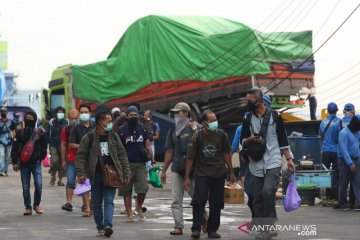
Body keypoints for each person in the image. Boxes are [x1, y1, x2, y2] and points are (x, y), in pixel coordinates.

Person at [240, 88, 295, 240]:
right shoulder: (247, 119)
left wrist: (289, 160)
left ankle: (270, 226)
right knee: (257, 198)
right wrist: (250, 140)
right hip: (256, 162)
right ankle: (264, 229)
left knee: (267, 191)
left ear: (259, 101)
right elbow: (242, 141)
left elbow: (283, 140)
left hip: (273, 159)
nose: (247, 103)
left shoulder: (275, 116)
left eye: (249, 101)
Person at [75, 109, 131, 237]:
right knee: (97, 202)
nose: (111, 123)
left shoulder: (114, 136)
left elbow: (122, 155)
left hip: (112, 174)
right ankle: (100, 226)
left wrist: (126, 172)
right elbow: (80, 156)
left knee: (109, 200)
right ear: (100, 122)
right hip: (96, 175)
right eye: (109, 121)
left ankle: (107, 225)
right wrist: (80, 173)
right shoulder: (89, 137)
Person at [185, 110, 236, 239]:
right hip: (201, 173)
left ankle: (212, 229)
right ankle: (196, 228)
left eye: (215, 120)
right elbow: (190, 157)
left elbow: (226, 154)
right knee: (199, 200)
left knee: (216, 203)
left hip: (218, 173)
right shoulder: (197, 136)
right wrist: (187, 177)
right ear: (204, 123)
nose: (215, 123)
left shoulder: (221, 134)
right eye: (212, 121)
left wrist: (231, 172)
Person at [160, 102, 207, 236]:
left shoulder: (196, 127)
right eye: (175, 112)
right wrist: (164, 171)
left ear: (186, 113)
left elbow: (203, 144)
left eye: (178, 112)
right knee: (176, 199)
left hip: (194, 169)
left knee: (197, 199)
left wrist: (195, 130)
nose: (176, 115)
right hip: (177, 168)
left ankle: (204, 219)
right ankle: (178, 226)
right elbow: (169, 151)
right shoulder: (172, 130)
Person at [117, 106, 156, 222]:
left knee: (143, 188)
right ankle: (129, 214)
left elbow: (148, 145)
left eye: (135, 115)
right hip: (126, 165)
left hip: (140, 163)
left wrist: (153, 160)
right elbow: (118, 148)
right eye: (131, 115)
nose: (134, 117)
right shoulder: (121, 130)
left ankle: (138, 207)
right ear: (127, 117)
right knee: (127, 190)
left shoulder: (143, 128)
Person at [11, 110, 47, 215]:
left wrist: (40, 158)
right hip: (24, 164)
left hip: (36, 163)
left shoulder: (40, 132)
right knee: (25, 187)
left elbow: (44, 147)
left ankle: (36, 205)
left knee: (39, 185)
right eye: (27, 117)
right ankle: (28, 207)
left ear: (35, 119)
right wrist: (15, 162)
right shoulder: (19, 132)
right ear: (24, 119)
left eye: (31, 117)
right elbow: (15, 148)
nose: (29, 119)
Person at [69, 104, 95, 216]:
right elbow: (71, 144)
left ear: (90, 113)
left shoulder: (96, 127)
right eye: (82, 112)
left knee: (95, 184)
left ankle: (91, 205)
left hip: (95, 159)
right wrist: (83, 146)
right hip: (82, 159)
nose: (84, 114)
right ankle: (87, 208)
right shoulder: (76, 129)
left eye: (86, 112)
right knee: (84, 182)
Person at [332, 103, 356, 209]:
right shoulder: (357, 123)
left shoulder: (338, 123)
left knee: (343, 181)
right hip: (354, 156)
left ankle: (342, 203)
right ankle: (352, 202)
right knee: (354, 181)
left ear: (343, 112)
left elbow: (334, 138)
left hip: (342, 156)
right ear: (354, 112)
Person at [319, 102, 340, 206]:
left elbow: (320, 137)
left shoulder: (322, 122)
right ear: (336, 110)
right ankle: (335, 197)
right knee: (336, 173)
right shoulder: (338, 122)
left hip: (325, 150)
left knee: (325, 174)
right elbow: (338, 138)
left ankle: (325, 198)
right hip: (336, 151)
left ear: (327, 110)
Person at [337, 115, 360, 211]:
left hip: (356, 160)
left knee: (357, 182)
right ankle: (342, 203)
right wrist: (350, 163)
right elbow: (344, 150)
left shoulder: (356, 132)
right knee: (344, 182)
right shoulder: (344, 133)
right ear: (355, 124)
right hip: (345, 161)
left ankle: (357, 203)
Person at [60, 109, 79, 212]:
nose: (74, 120)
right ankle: (69, 202)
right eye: (72, 119)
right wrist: (63, 160)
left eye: (75, 118)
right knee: (71, 181)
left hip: (83, 160)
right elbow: (63, 145)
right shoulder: (65, 130)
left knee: (85, 182)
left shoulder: (84, 129)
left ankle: (87, 204)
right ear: (68, 119)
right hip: (70, 160)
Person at [47, 106, 68, 186]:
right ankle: (53, 176)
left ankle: (60, 180)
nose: (60, 113)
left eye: (62, 112)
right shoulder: (51, 122)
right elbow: (47, 133)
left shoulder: (66, 122)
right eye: (59, 112)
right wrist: (47, 143)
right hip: (53, 144)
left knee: (63, 162)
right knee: (55, 161)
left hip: (64, 145)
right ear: (56, 113)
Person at [0, 106, 16, 176]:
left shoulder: (11, 122)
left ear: (7, 112)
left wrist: (13, 137)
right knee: (1, 155)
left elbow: (14, 131)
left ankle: (5, 171)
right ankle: (1, 170)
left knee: (8, 156)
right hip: (0, 141)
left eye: (4, 111)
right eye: (1, 112)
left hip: (9, 141)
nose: (3, 113)